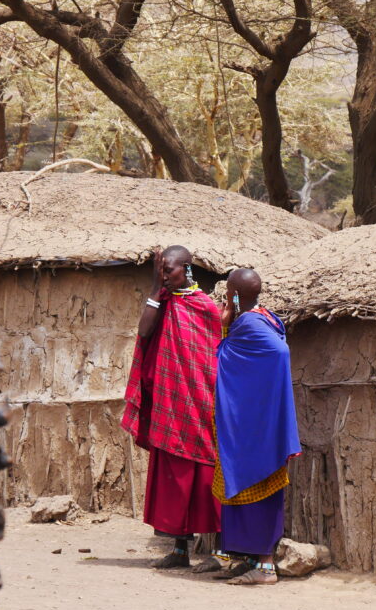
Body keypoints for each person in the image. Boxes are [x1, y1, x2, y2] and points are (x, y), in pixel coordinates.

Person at [122, 245, 222, 569]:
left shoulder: (205, 307)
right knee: (173, 477)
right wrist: (155, 288)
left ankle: (219, 551)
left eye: (170, 270)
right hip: (170, 404)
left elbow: (213, 357)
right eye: (161, 270)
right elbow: (144, 331)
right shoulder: (161, 303)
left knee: (205, 476)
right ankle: (180, 548)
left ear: (187, 270)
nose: (165, 276)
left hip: (201, 402)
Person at [212, 268, 301, 585]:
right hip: (251, 424)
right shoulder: (264, 318)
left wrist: (223, 328)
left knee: (258, 490)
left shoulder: (250, 324)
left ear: (233, 296)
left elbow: (274, 354)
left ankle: (264, 566)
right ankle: (250, 559)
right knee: (249, 490)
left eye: (228, 293)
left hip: (254, 427)